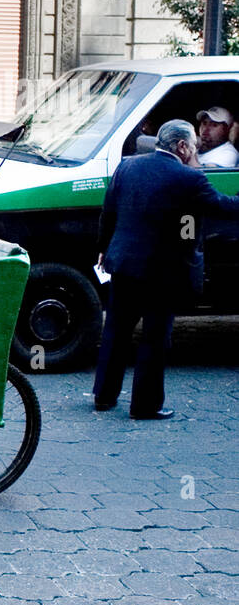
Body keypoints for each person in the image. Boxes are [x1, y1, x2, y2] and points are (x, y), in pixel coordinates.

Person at [92, 119, 239, 419]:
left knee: (116, 331)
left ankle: (104, 396)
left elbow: (108, 212)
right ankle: (144, 406)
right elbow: (223, 207)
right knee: (154, 338)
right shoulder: (188, 179)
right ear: (183, 146)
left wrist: (105, 250)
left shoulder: (128, 166)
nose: (195, 152)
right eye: (193, 147)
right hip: (161, 272)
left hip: (122, 263)